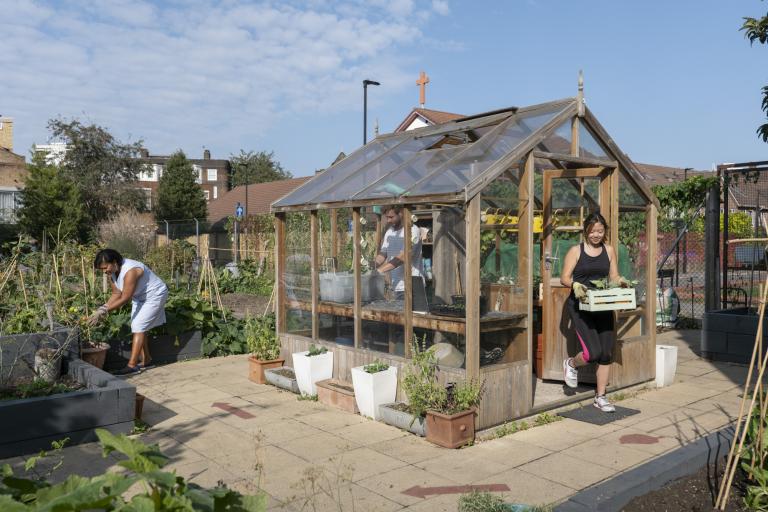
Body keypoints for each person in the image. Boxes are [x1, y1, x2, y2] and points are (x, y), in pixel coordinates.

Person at [560, 212, 627, 413]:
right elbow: (564, 277)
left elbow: (613, 275)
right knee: (592, 352)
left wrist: (620, 281)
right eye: (593, 231)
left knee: (606, 353)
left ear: (604, 231)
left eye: (600, 231)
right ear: (586, 231)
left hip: (602, 305)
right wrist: (575, 285)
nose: (596, 235)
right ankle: (571, 363)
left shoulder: (609, 250)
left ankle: (601, 397)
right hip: (581, 307)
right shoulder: (576, 251)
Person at [88, 249, 169, 375]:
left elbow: (125, 298)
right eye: (102, 269)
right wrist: (101, 308)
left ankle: (132, 366)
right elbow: (116, 293)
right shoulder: (113, 272)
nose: (104, 271)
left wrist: (104, 311)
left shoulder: (130, 270)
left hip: (155, 295)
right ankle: (146, 359)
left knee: (138, 326)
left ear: (114, 262)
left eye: (105, 267)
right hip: (140, 297)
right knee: (139, 326)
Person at [374, 206, 423, 300]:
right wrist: (372, 266)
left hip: (412, 285)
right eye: (387, 217)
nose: (388, 220)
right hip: (396, 285)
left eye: (391, 217)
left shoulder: (412, 230)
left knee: (413, 314)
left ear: (400, 213)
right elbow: (383, 253)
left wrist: (380, 270)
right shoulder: (390, 232)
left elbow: (403, 257)